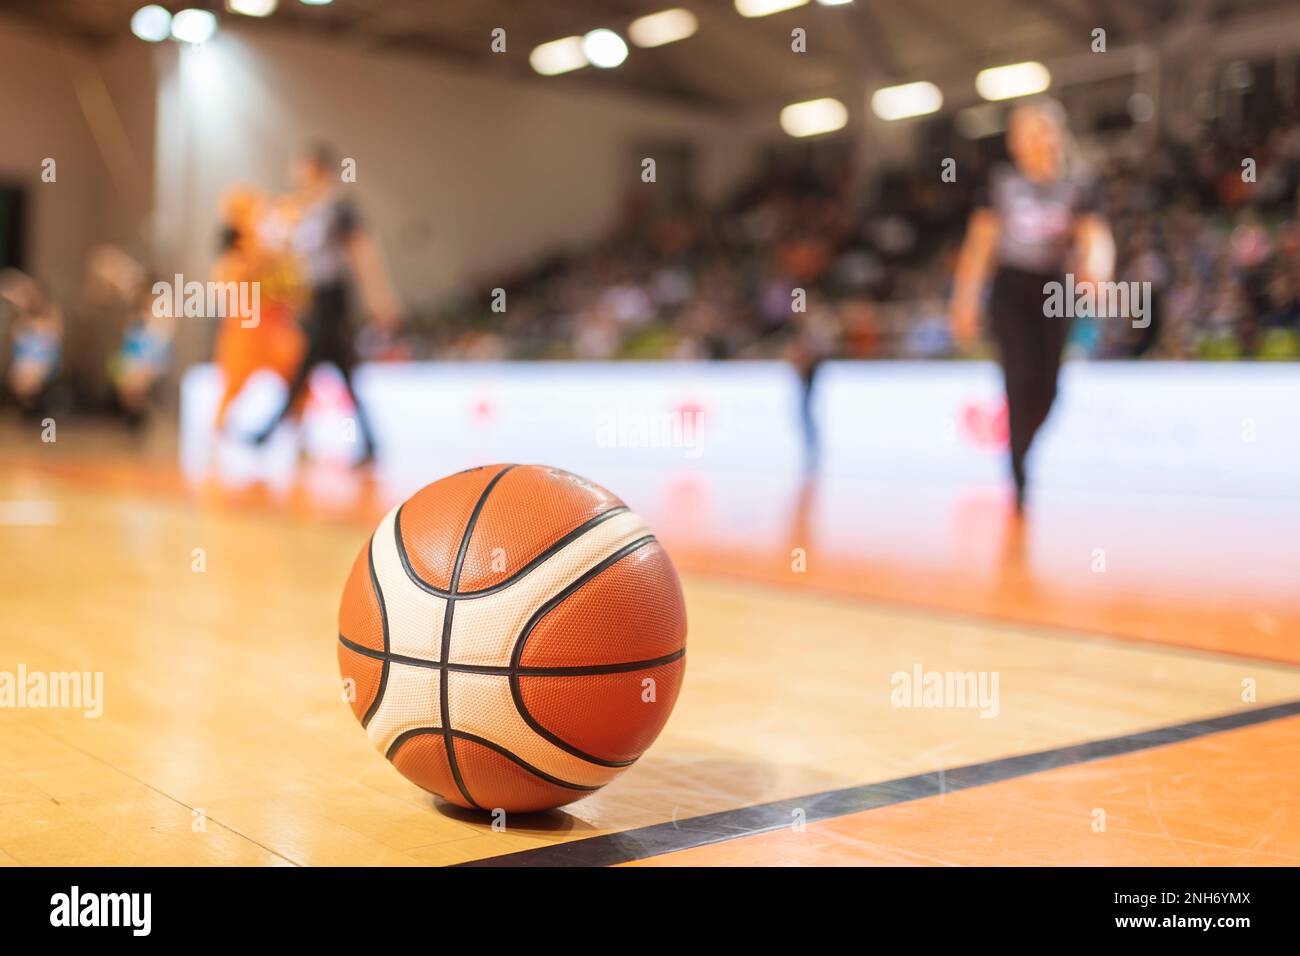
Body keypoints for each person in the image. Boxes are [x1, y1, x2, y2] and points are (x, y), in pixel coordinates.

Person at [949, 99, 1115, 512]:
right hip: (1011, 290)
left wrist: (1097, 272)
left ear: (1058, 135)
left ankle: (1023, 449)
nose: (1037, 140)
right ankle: (1018, 470)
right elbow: (980, 245)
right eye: (1027, 133)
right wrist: (965, 300)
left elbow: (1096, 236)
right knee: (1019, 377)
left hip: (1054, 288)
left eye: (1043, 130)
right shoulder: (1001, 183)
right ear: (1014, 143)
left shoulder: (1079, 183)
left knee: (1050, 386)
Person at [250, 143, 400, 462]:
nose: (296, 177)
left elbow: (363, 252)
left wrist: (380, 299)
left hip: (334, 299)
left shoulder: (340, 208)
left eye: (302, 169)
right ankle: (369, 443)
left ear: (318, 170)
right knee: (336, 369)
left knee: (310, 365)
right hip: (316, 299)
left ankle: (268, 432)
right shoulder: (308, 211)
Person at [211, 186, 306, 431]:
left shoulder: (283, 255)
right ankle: (218, 436)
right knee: (233, 388)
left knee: (298, 383)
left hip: (276, 331)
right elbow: (223, 287)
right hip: (245, 332)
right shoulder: (235, 260)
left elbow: (297, 293)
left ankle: (298, 437)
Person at [0, 268, 62, 415]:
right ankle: (29, 404)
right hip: (24, 361)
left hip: (43, 361)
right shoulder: (20, 318)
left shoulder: (51, 314)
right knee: (23, 372)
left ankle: (32, 403)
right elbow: (6, 284)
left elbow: (52, 345)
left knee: (28, 372)